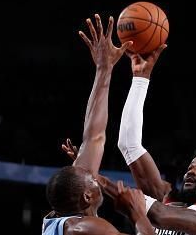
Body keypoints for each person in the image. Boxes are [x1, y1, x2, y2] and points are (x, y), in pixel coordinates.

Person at [63, 44, 196, 235]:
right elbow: (129, 145)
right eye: (191, 167)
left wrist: (96, 178)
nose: (192, 171)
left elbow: (159, 216)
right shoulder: (167, 197)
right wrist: (140, 77)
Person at [43, 14, 155, 235]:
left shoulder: (59, 220)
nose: (97, 179)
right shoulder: (85, 228)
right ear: (87, 196)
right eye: (93, 180)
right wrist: (137, 213)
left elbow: (94, 137)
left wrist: (104, 69)